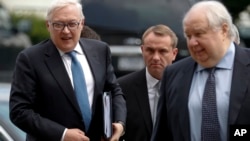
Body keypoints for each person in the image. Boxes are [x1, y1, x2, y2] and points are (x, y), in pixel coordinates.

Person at [9, 0, 126, 141]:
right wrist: (62, 134)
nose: (66, 31)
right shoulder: (30, 59)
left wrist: (120, 123)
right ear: (48, 25)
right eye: (58, 24)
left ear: (82, 23)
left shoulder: (100, 50)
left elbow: (114, 91)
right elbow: (19, 111)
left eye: (72, 24)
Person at [151, 1, 250, 141]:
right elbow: (163, 134)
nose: (192, 42)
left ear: (223, 30)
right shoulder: (173, 74)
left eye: (199, 33)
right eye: (188, 36)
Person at [118, 24, 178, 141]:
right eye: (150, 50)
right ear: (142, 50)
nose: (156, 57)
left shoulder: (186, 87)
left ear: (174, 53)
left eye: (162, 51)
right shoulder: (122, 88)